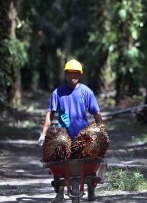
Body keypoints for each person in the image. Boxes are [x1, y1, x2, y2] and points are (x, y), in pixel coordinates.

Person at [38, 59, 102, 203]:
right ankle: (59, 192)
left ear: (80, 75)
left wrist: (100, 130)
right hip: (63, 135)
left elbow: (96, 113)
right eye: (69, 73)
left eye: (75, 74)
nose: (72, 76)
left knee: (91, 160)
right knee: (55, 159)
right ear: (65, 75)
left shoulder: (86, 92)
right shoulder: (58, 93)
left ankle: (91, 188)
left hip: (83, 135)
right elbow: (50, 113)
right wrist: (43, 133)